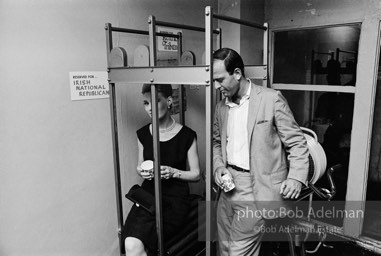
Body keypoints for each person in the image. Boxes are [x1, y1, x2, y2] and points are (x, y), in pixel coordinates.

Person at [212, 48, 309, 255]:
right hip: (228, 186)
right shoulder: (221, 107)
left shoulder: (271, 99)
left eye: (219, 79)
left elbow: (297, 143)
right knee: (223, 248)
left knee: (238, 252)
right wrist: (219, 167)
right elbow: (216, 142)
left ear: (237, 73)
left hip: (257, 188)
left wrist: (296, 178)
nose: (216, 86)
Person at [121, 84, 201, 256]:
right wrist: (141, 171)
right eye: (145, 103)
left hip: (175, 199)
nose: (149, 108)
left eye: (155, 101)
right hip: (148, 196)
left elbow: (196, 174)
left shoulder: (187, 135)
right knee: (130, 244)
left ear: (169, 101)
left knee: (140, 245)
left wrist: (173, 172)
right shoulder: (142, 134)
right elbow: (140, 165)